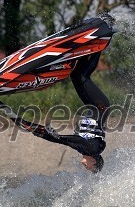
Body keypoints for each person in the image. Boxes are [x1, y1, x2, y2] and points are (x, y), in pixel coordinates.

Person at [15, 16, 114, 173]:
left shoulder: (87, 149)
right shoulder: (93, 148)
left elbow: (68, 141)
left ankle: (86, 42)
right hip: (100, 105)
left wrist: (40, 131)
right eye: (90, 168)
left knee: (76, 75)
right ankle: (102, 37)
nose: (86, 167)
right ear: (94, 162)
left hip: (93, 106)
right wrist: (56, 137)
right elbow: (72, 141)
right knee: (82, 77)